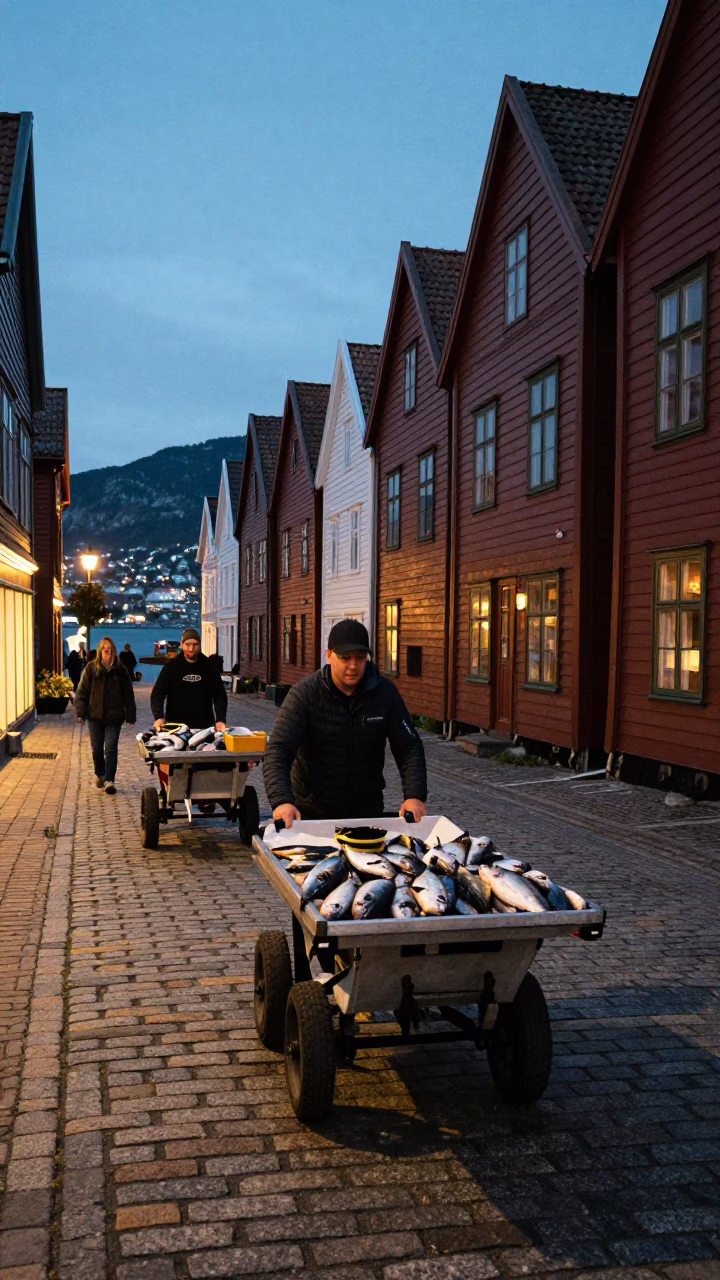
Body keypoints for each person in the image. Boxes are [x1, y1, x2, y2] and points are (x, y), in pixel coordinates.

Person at [263, 619, 427, 826]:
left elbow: (408, 746)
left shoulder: (385, 693)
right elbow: (279, 748)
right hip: (312, 810)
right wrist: (281, 801)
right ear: (328, 655)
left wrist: (414, 795)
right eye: (345, 658)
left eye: (360, 658)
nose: (353, 666)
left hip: (367, 809)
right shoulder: (304, 694)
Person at [75, 636, 136, 795]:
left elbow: (128, 693)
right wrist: (80, 712)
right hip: (94, 716)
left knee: (110, 748)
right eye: (105, 650)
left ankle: (109, 780)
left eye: (110, 650)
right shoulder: (91, 669)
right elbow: (82, 691)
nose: (108, 653)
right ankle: (100, 774)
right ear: (100, 652)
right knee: (97, 749)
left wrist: (130, 715)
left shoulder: (120, 670)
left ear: (114, 652)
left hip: (114, 717)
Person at [150, 627, 228, 731]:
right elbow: (158, 694)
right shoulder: (171, 667)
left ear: (199, 645)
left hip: (204, 725)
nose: (191, 649)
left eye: (195, 645)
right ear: (181, 645)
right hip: (175, 725)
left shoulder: (209, 666)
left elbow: (219, 695)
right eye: (187, 644)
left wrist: (220, 720)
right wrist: (159, 717)